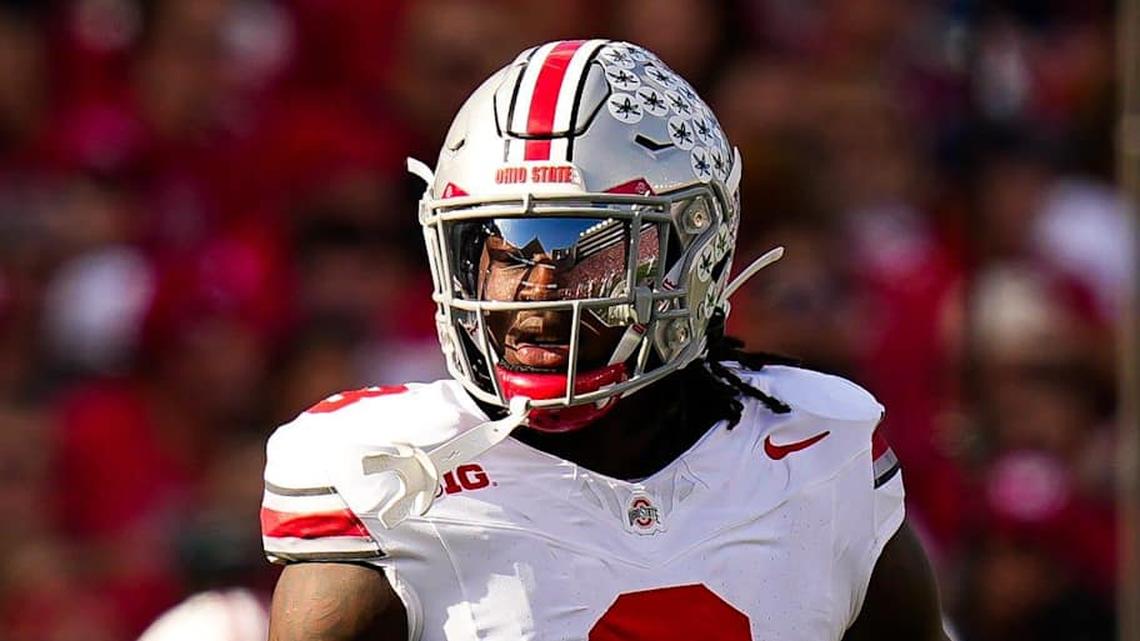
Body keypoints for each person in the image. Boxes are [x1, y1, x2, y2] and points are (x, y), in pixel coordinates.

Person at [261, 40, 947, 641]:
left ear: (689, 251)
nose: (532, 287)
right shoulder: (391, 480)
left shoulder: (817, 453)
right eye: (501, 246)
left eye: (574, 245)